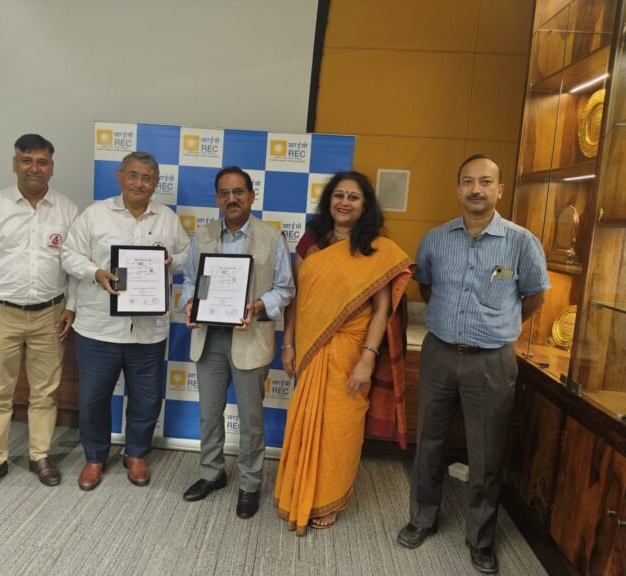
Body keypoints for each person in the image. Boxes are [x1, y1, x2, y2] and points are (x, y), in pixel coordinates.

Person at [396, 154, 550, 574]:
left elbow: (535, 297)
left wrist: (500, 326)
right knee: (429, 442)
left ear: (500, 189)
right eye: (468, 181)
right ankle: (421, 518)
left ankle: (480, 540)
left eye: (486, 181)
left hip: (492, 362)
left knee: (486, 455)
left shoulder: (521, 242)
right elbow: (427, 287)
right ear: (458, 188)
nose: (476, 189)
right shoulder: (435, 239)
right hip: (440, 354)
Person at [274, 171, 414, 535]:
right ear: (329, 200)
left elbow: (383, 308)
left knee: (342, 425)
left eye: (353, 197)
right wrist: (287, 344)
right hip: (310, 345)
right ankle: (297, 490)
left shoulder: (376, 247)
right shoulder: (312, 240)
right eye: (339, 195)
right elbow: (296, 299)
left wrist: (368, 357)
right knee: (306, 419)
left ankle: (330, 496)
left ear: (365, 204)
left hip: (352, 348)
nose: (345, 202)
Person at [62, 151, 189, 491]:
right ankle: (94, 457)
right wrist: (95, 272)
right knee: (93, 399)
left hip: (148, 331)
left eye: (147, 178)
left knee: (146, 399)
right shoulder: (95, 214)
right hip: (98, 327)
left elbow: (187, 258)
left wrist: (170, 260)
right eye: (133, 175)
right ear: (120, 176)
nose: (139, 183)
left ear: (156, 183)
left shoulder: (167, 218)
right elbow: (68, 255)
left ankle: (135, 454)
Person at [0, 134, 78, 493]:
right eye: (27, 160)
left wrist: (71, 306)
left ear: (52, 167)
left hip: (50, 314)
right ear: (15, 163)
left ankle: (39, 454)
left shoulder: (67, 209)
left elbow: (75, 266)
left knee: (46, 392)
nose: (34, 168)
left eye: (42, 161)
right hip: (0, 314)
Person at [180, 166, 295, 520]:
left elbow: (286, 289)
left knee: (251, 418)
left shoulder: (272, 237)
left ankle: (249, 482)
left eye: (239, 192)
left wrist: (258, 306)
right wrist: (189, 302)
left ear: (251, 195)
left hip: (250, 339)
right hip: (209, 338)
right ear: (217, 198)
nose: (232, 199)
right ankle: (212, 473)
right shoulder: (203, 236)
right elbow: (188, 280)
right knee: (209, 414)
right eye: (224, 193)